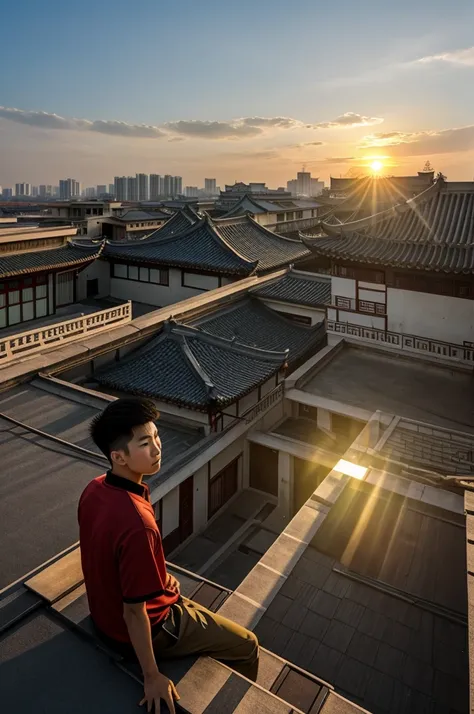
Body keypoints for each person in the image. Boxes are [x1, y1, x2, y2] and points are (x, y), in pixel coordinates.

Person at [78, 397, 259, 714]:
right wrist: (152, 676)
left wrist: (158, 580)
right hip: (144, 628)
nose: (157, 448)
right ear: (118, 456)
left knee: (169, 586)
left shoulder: (95, 489)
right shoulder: (138, 524)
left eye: (156, 437)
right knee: (247, 644)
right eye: (145, 443)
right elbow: (135, 613)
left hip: (102, 617)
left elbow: (107, 558)